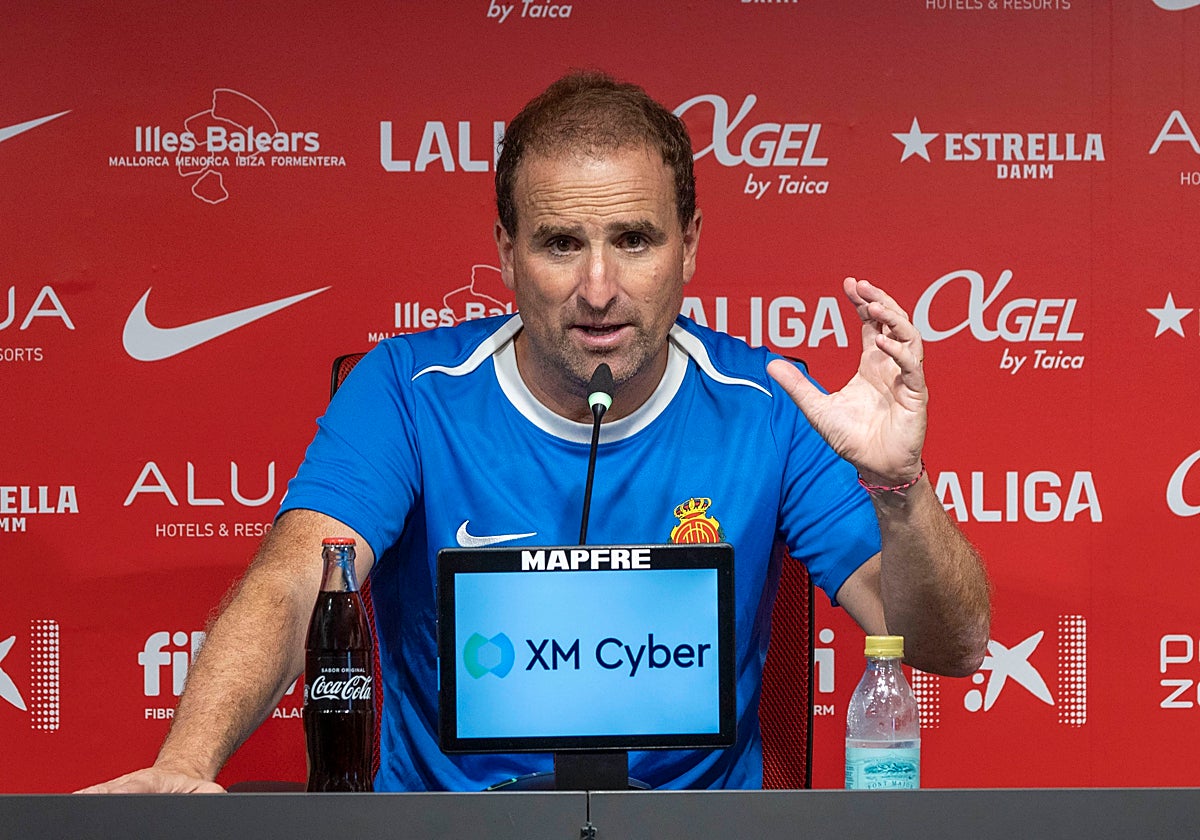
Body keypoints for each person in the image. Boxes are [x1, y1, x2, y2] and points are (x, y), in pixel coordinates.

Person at [81, 71, 989, 794]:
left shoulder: (766, 403)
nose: (598, 288)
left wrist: (900, 488)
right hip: (445, 839)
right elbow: (294, 586)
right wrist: (184, 765)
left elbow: (946, 647)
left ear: (692, 245)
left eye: (634, 240)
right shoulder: (406, 390)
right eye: (560, 244)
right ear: (507, 251)